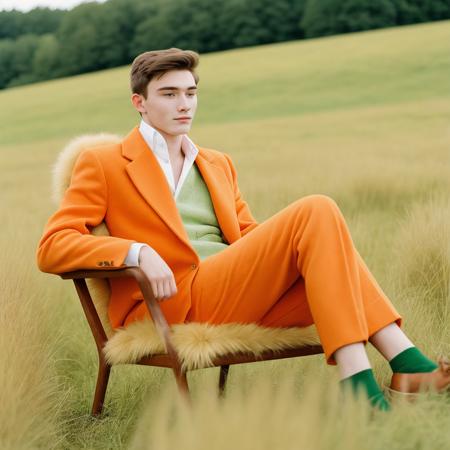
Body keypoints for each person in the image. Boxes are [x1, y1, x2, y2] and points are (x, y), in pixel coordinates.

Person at [37, 48, 449, 410]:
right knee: (318, 209)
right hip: (172, 299)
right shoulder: (104, 163)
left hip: (234, 291)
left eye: (190, 93)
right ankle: (382, 379)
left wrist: (303, 247)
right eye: (169, 94)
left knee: (332, 261)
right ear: (139, 103)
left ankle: (405, 372)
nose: (185, 104)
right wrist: (136, 252)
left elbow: (250, 236)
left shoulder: (217, 163)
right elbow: (54, 245)